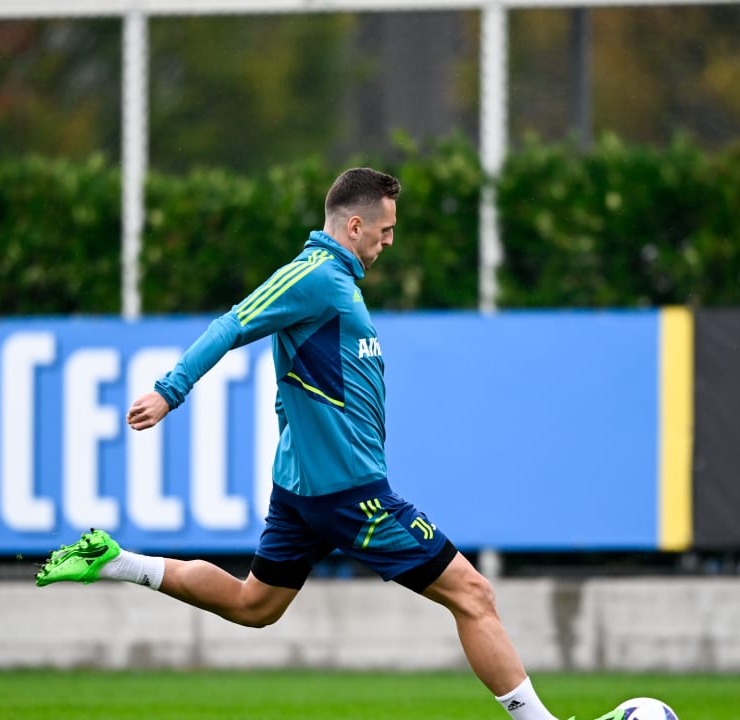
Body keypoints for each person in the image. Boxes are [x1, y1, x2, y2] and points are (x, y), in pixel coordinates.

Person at [36, 167, 580, 720]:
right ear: (354, 225)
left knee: (255, 604)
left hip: (308, 491)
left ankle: (115, 561)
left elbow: (307, 376)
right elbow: (233, 323)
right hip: (350, 493)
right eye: (385, 230)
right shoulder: (314, 275)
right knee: (473, 594)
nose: (389, 241)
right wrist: (168, 391)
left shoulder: (336, 282)